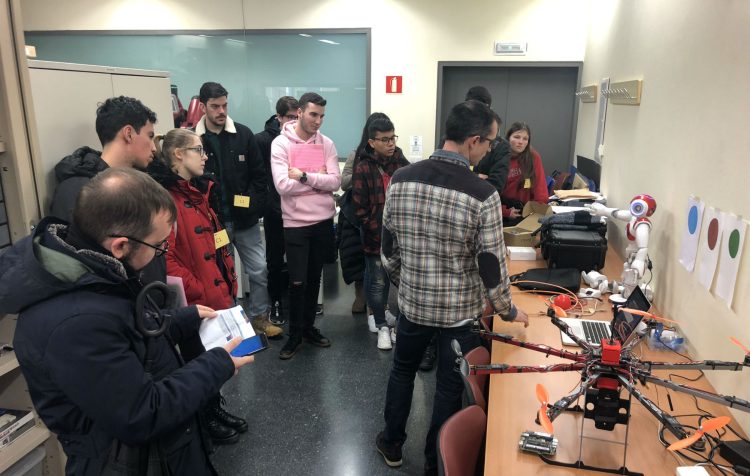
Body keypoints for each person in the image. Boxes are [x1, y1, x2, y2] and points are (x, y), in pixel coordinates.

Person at [0, 168, 254, 475]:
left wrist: (179, 319)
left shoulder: (95, 271)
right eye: (159, 245)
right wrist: (217, 364)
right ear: (120, 246)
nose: (162, 252)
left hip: (165, 453)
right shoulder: (74, 323)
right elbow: (141, 413)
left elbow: (124, 330)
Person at [375, 100, 529, 475]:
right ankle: (435, 462)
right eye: (490, 143)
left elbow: (388, 250)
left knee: (402, 371)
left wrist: (407, 281)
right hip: (459, 315)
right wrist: (508, 310)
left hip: (412, 305)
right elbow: (491, 265)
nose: (491, 149)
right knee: (447, 387)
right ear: (473, 141)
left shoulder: (400, 179)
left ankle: (392, 444)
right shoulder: (482, 194)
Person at [149, 128, 249, 445]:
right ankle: (204, 416)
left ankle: (214, 407)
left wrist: (229, 274)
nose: (205, 156)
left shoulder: (200, 192)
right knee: (196, 359)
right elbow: (167, 258)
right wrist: (199, 291)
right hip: (196, 300)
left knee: (211, 355)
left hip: (215, 290)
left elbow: (216, 240)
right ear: (179, 154)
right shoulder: (167, 199)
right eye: (199, 149)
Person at [195, 82, 282, 338]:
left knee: (258, 269)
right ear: (202, 107)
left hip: (245, 221)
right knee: (221, 275)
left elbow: (259, 176)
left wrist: (253, 205)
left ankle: (259, 318)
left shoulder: (243, 134)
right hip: (214, 223)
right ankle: (230, 321)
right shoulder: (193, 138)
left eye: (224, 105)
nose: (221, 111)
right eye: (215, 106)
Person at [270, 92, 341, 360]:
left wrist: (302, 175)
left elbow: (335, 182)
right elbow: (282, 187)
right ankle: (294, 335)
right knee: (297, 281)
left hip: (322, 222)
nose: (318, 121)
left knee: (314, 279)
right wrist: (317, 179)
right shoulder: (280, 144)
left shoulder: (327, 144)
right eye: (313, 114)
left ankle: (309, 329)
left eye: (322, 115)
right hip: (296, 223)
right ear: (299, 112)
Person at [351, 114, 409, 350]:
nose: (390, 143)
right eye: (384, 139)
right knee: (377, 283)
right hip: (375, 237)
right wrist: (378, 230)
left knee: (404, 284)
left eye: (392, 138)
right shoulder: (363, 166)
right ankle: (382, 325)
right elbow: (360, 208)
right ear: (372, 142)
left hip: (401, 236)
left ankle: (399, 326)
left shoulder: (401, 163)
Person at [49, 95, 157, 222]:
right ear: (129, 134)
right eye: (150, 136)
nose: (154, 148)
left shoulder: (138, 184)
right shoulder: (76, 191)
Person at [255, 96, 299, 326]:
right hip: (274, 210)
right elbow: (260, 178)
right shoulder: (262, 141)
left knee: (297, 259)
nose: (294, 122)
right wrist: (268, 204)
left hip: (298, 210)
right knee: (274, 259)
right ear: (279, 117)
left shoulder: (302, 140)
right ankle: (277, 303)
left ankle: (295, 301)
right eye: (290, 117)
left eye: (297, 117)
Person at [465, 86, 512, 194]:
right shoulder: (454, 137)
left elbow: (496, 186)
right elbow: (443, 172)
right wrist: (476, 176)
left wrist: (462, 177)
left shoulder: (500, 146)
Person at [500, 121, 549, 225]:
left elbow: (540, 191)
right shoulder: (499, 156)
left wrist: (535, 214)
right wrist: (505, 212)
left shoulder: (533, 157)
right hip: (500, 210)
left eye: (525, 139)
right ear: (508, 138)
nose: (521, 142)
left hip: (524, 213)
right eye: (517, 137)